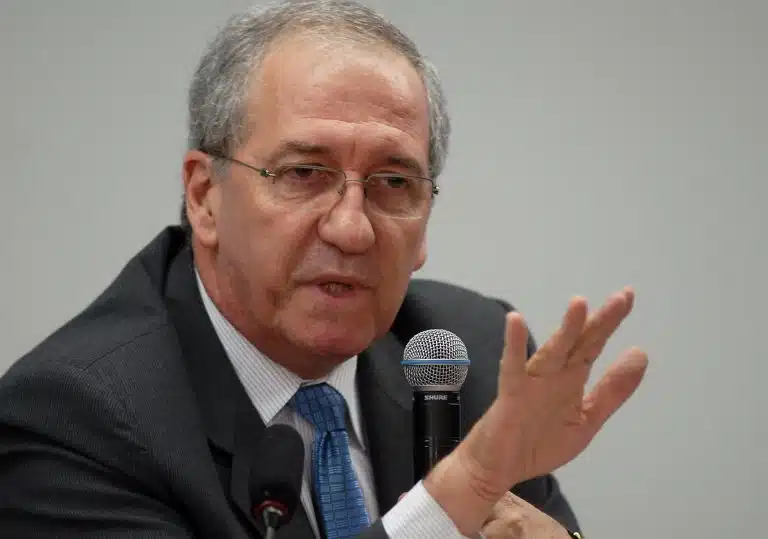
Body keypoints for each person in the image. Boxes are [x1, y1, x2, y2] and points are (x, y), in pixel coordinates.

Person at [0, 1, 648, 538]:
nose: (351, 228)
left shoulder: (467, 358)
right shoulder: (75, 421)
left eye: (394, 182)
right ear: (204, 196)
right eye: (304, 173)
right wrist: (456, 498)